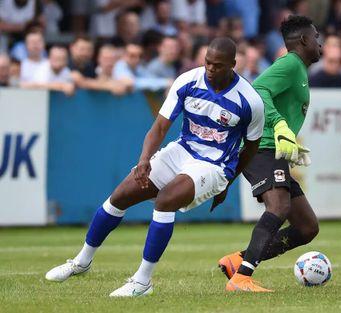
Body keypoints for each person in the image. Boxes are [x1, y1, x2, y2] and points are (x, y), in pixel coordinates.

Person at [45, 37, 265, 297]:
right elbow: (160, 127)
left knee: (165, 200)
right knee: (119, 197)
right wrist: (144, 160)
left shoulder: (250, 101)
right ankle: (82, 262)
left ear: (232, 64)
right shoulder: (187, 81)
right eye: (207, 62)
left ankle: (142, 282)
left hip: (214, 165)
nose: (210, 68)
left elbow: (250, 148)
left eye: (217, 65)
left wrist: (227, 181)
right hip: (181, 150)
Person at [218, 15, 322, 292]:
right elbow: (259, 88)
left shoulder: (299, 69)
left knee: (307, 227)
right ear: (303, 40)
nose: (319, 43)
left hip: (272, 150)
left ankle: (237, 261)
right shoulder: (289, 64)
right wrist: (280, 125)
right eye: (316, 38)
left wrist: (288, 137)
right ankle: (241, 278)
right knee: (278, 207)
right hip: (260, 148)